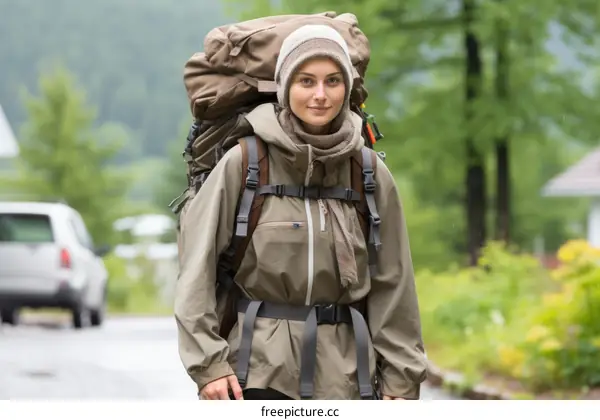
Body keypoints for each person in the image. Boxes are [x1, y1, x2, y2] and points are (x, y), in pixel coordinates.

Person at [174, 23, 428, 401]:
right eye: (306, 81)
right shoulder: (244, 163)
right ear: (285, 86)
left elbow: (394, 284)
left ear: (347, 89)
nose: (320, 95)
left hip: (348, 379)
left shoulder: (369, 172)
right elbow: (197, 270)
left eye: (333, 81)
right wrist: (208, 365)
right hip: (253, 375)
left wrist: (402, 378)